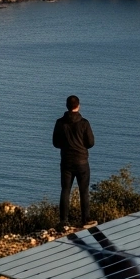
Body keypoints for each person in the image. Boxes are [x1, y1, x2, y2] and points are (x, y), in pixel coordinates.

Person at [52, 95, 96, 227]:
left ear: (67, 106)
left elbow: (55, 143)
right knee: (84, 191)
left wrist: (66, 146)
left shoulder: (60, 123)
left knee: (65, 190)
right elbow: (90, 143)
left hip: (66, 161)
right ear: (78, 105)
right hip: (82, 161)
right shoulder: (84, 123)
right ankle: (85, 219)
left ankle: (63, 221)